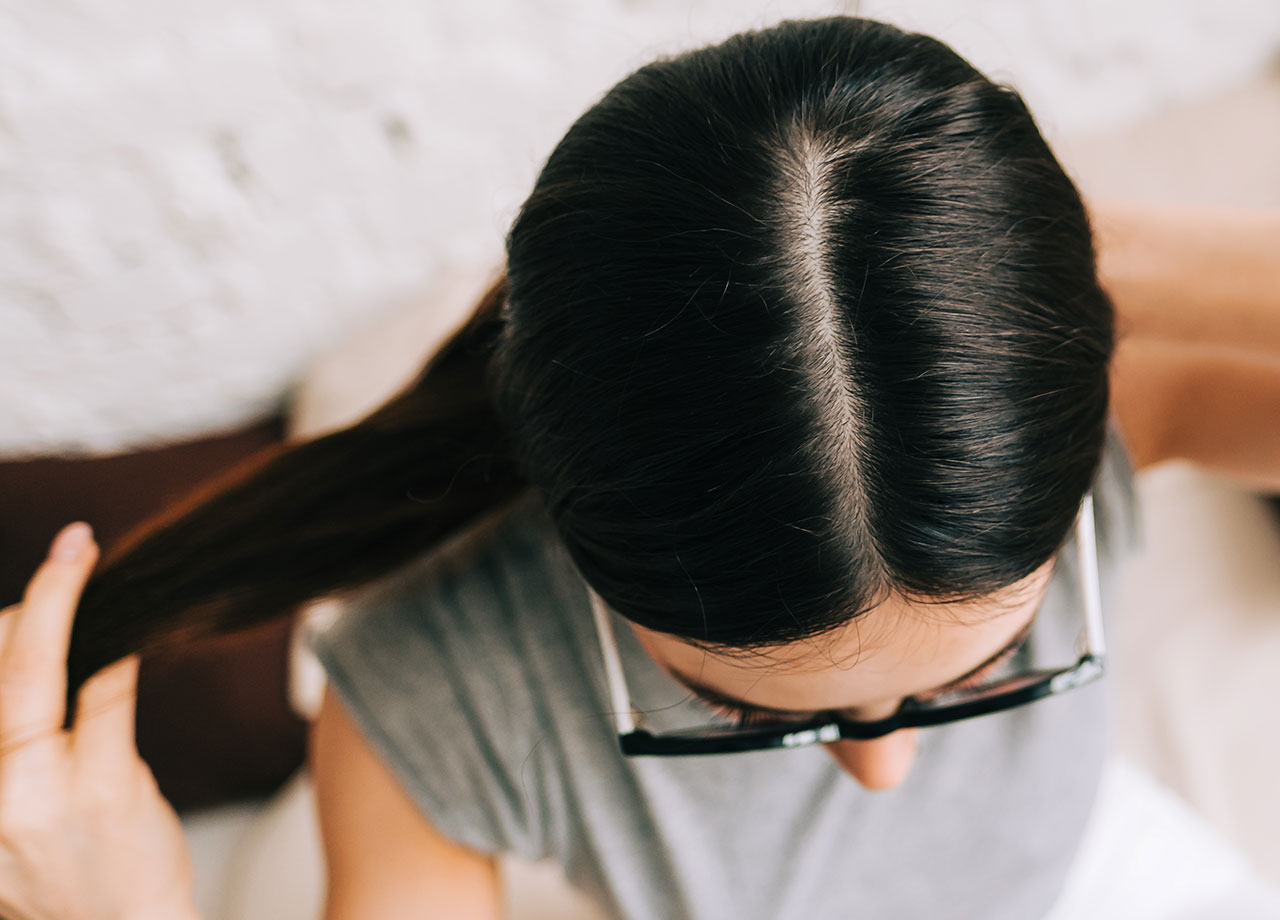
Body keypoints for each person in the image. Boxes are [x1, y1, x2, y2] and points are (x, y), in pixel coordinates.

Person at [1, 14, 1278, 920]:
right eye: (743, 712)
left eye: (990, 668)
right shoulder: (441, 694)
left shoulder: (1082, 419)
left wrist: (1068, 257)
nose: (882, 769)